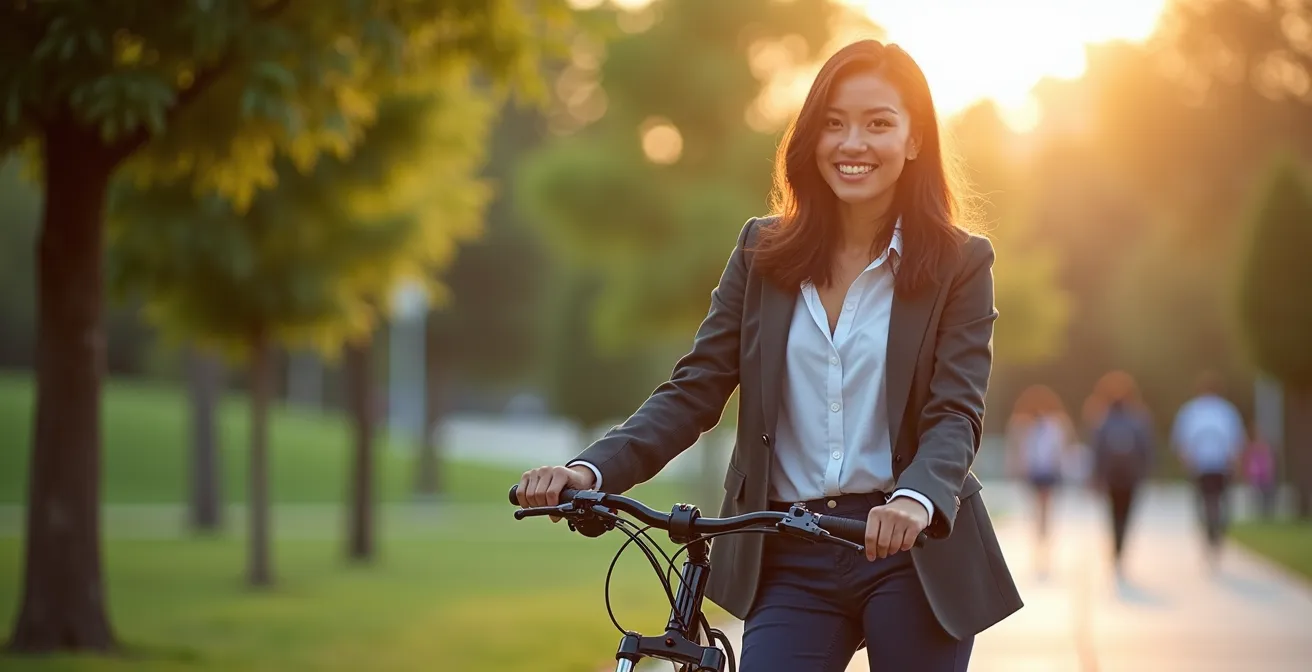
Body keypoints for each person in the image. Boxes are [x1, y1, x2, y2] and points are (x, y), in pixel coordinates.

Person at [515, 39, 1021, 671]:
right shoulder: (763, 253)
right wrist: (588, 472)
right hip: (790, 548)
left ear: (914, 140)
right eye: (833, 123)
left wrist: (913, 500)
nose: (852, 143)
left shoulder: (959, 263)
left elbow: (955, 413)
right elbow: (694, 389)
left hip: (910, 548)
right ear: (810, 137)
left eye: (878, 124)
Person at [1171, 372, 1246, 568]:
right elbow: (1237, 441)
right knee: (1221, 502)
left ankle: (1209, 535)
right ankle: (1217, 534)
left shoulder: (1191, 411)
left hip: (1200, 465)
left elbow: (1182, 441)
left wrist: (1186, 461)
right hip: (1221, 464)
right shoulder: (1227, 411)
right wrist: (1236, 464)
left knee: (1203, 502)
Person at [1088, 373, 1154, 580]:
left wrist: (1096, 476)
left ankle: (1117, 550)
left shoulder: (1103, 419)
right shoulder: (1138, 419)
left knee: (1113, 514)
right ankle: (1120, 549)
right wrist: (1146, 472)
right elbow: (1146, 449)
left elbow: (1097, 450)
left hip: (1112, 476)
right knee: (1125, 515)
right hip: (1130, 476)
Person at [1005, 384, 1075, 576]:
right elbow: (1017, 450)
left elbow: (1061, 450)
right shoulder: (1023, 424)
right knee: (1038, 512)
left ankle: (1043, 546)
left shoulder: (1056, 424)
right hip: (1034, 473)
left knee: (1043, 512)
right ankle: (1040, 545)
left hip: (1047, 473)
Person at [1242, 424, 1278, 519]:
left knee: (1267, 497)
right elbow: (1247, 462)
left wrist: (1270, 471)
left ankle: (1267, 515)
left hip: (1264, 475)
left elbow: (1269, 460)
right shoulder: (1250, 447)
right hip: (1255, 475)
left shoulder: (1264, 446)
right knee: (1256, 497)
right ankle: (1258, 516)